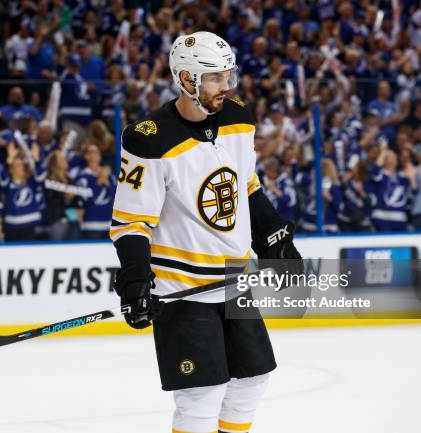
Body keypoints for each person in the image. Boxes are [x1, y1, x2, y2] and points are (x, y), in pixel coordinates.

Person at [110, 32, 302, 433]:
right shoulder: (149, 139)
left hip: (234, 281)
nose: (225, 86)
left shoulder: (237, 118)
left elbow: (245, 187)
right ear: (185, 78)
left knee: (252, 380)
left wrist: (274, 239)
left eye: (227, 75)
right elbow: (131, 222)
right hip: (183, 288)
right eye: (214, 78)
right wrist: (134, 279)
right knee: (202, 395)